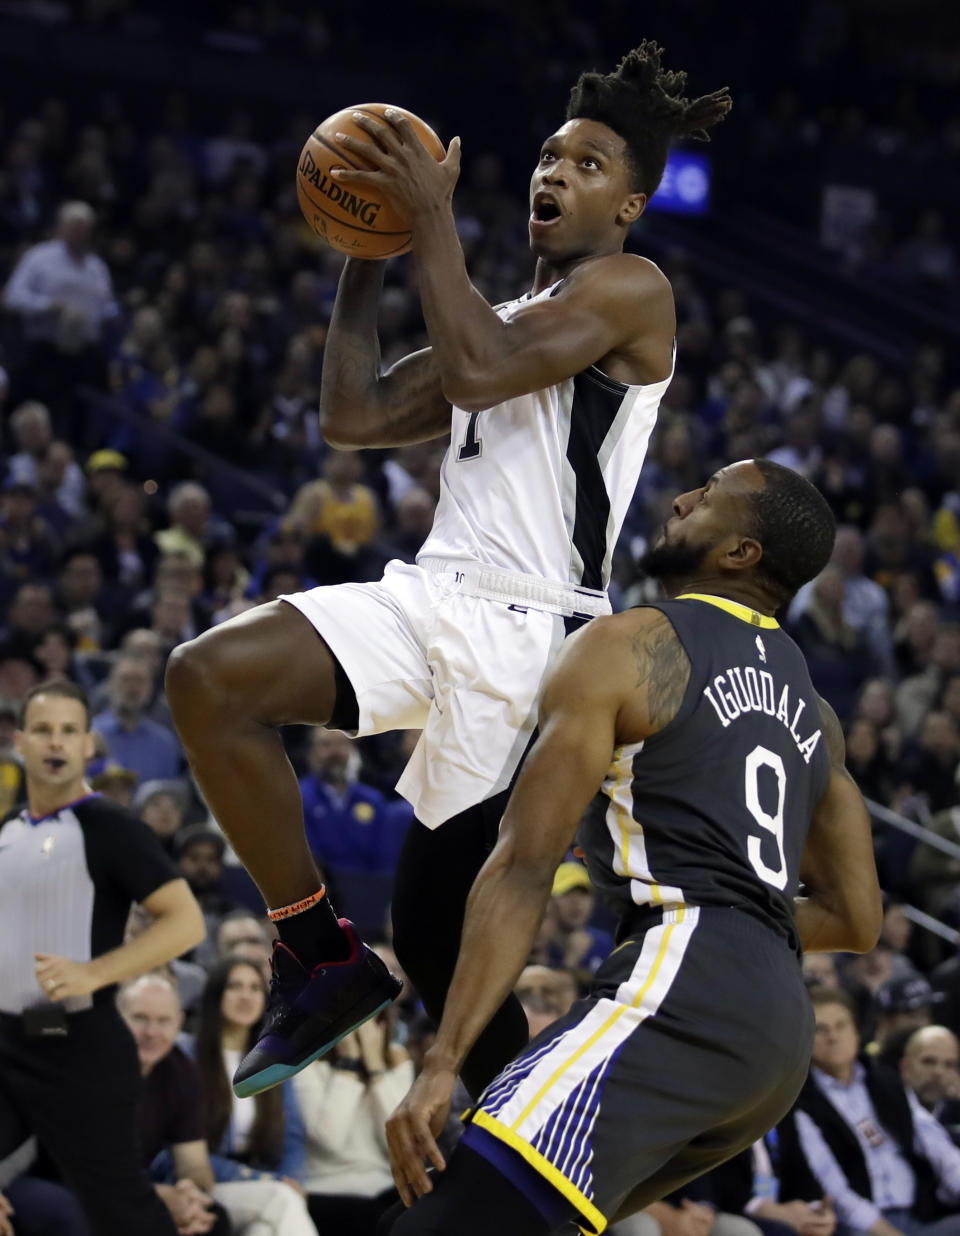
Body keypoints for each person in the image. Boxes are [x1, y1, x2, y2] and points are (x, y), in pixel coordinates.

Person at [165, 39, 729, 1100]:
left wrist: (427, 218)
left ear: (632, 207)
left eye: (589, 165)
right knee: (207, 678)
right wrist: (366, 244)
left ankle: (531, 1153)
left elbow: (472, 370)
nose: (554, 173)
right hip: (435, 594)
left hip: (536, 639)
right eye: (551, 155)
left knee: (435, 941)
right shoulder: (506, 315)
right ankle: (315, 952)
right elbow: (354, 413)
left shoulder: (632, 290)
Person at [382, 459, 882, 1235]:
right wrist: (741, 922)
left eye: (708, 497)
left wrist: (444, 1059)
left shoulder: (630, 644)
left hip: (683, 982)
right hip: (777, 1040)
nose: (681, 499)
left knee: (443, 1226)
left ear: (740, 553)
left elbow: (523, 866)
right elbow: (857, 919)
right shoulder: (817, 715)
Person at [0, 677, 205, 1235]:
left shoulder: (111, 828)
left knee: (122, 1215)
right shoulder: (7, 831)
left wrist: (95, 972)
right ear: (20, 741)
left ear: (90, 744)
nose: (56, 742)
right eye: (43, 730)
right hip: (7, 1042)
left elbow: (186, 921)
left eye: (69, 730)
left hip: (81, 1047)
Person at [121, 971, 316, 1236]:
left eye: (163, 1021)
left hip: (213, 1185)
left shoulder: (178, 1068)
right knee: (279, 1201)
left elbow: (194, 1164)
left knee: (264, 1226)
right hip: (127, 1189)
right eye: (140, 1018)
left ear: (177, 1022)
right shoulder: (190, 1055)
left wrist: (191, 1194)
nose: (152, 1031)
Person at [778, 987, 960, 1236]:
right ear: (805, 1038)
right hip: (860, 1227)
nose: (833, 1037)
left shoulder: (887, 1082)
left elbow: (938, 1148)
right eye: (821, 1029)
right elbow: (833, 1187)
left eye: (841, 1026)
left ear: (855, 1031)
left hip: (921, 1215)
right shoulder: (799, 1101)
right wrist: (885, 1232)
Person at [294, 1012, 412, 1235]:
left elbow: (402, 1141)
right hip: (328, 1187)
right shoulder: (305, 1063)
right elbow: (330, 1139)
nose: (357, 1026)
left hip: (385, 1186)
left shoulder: (396, 1058)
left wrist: (376, 1067)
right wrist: (348, 1065)